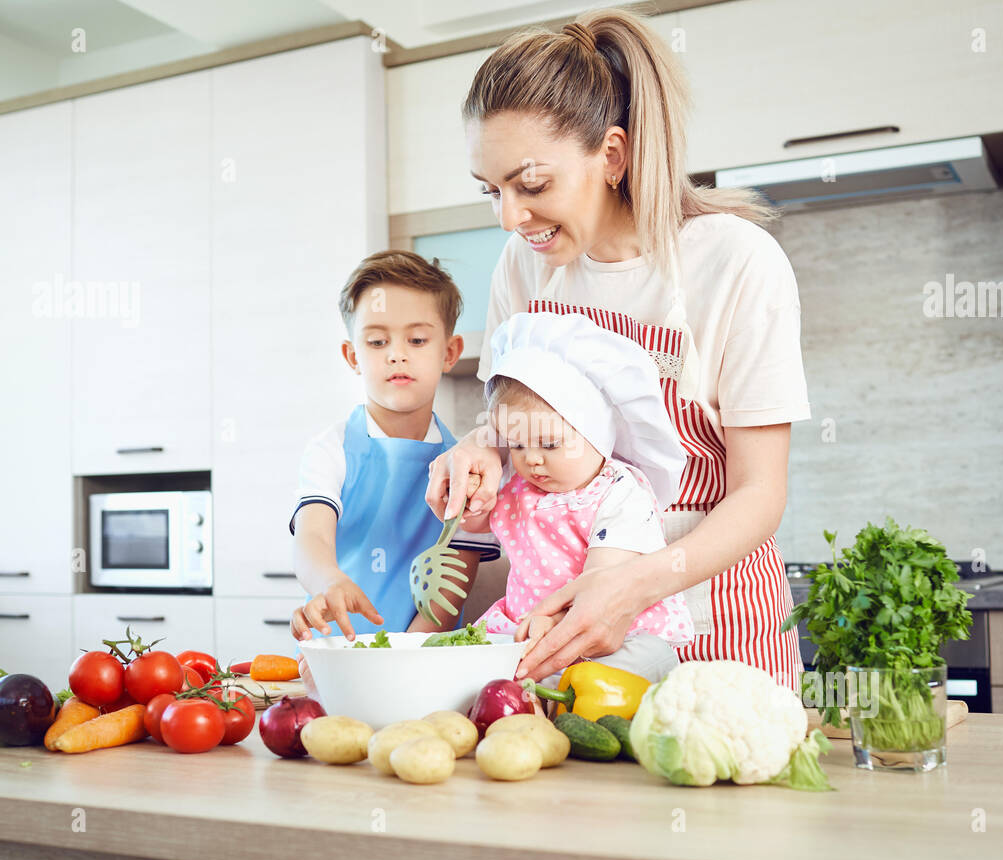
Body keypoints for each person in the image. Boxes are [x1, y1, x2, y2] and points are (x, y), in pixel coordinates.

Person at [428, 9, 810, 693]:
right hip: (563, 635)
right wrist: (484, 444)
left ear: (612, 154)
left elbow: (761, 492)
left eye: (532, 185)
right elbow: (510, 416)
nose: (510, 218)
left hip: (712, 623)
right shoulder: (522, 267)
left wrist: (634, 585)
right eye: (492, 191)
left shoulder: (735, 262)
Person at [467, 312, 692, 683]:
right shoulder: (519, 491)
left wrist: (555, 623)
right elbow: (479, 526)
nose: (531, 458)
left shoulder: (620, 492)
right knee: (475, 672)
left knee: (624, 667)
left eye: (550, 444)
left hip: (615, 635)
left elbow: (603, 577)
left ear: (598, 435)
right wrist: (470, 502)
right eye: (517, 444)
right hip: (529, 632)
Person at [289, 251, 499, 647]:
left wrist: (400, 656)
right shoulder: (331, 449)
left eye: (417, 339)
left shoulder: (468, 469)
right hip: (334, 654)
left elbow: (453, 588)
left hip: (420, 656)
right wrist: (329, 579)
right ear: (353, 356)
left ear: (449, 352)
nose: (396, 353)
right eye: (377, 341)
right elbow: (311, 537)